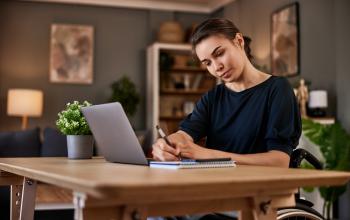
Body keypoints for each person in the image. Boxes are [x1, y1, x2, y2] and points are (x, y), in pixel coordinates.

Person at [152, 18, 301, 168]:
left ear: (239, 41)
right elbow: (183, 136)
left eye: (219, 53)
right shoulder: (212, 98)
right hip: (217, 186)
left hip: (261, 188)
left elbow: (279, 161)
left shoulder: (277, 90)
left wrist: (206, 154)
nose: (217, 67)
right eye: (208, 63)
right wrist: (165, 145)